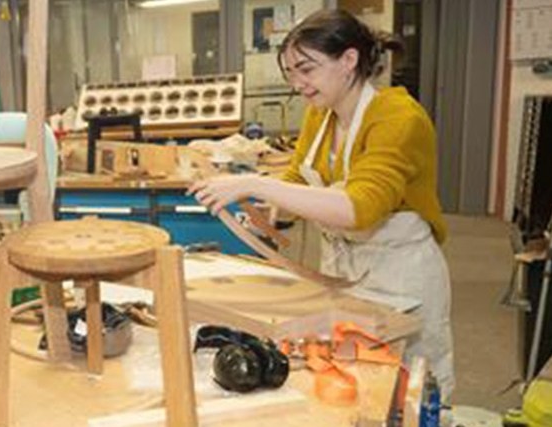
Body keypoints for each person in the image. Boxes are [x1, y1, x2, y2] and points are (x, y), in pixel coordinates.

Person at [188, 9, 455, 395]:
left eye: (307, 69)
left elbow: (358, 208)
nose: (298, 84)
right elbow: (297, 182)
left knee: (410, 389)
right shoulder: (322, 116)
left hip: (399, 275)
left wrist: (254, 184)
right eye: (291, 73)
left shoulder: (399, 118)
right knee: (351, 382)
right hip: (342, 271)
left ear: (349, 60)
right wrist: (257, 204)